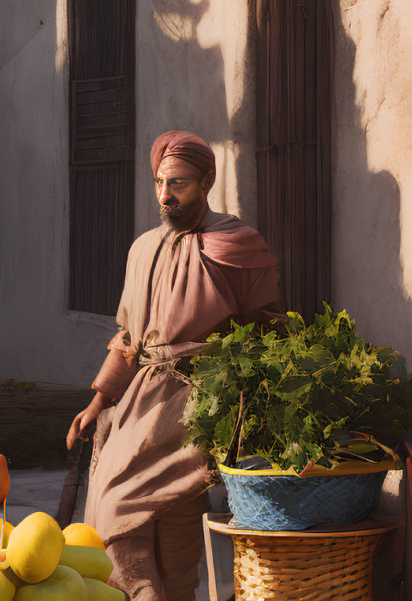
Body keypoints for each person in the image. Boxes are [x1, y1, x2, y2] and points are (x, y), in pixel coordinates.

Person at [66, 130, 281, 601]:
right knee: (117, 507)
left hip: (202, 399)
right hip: (143, 395)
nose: (165, 195)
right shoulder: (143, 248)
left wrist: (253, 408)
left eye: (178, 184)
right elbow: (127, 337)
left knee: (159, 510)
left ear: (206, 181)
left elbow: (268, 330)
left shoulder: (238, 244)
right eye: (160, 183)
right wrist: (98, 401)